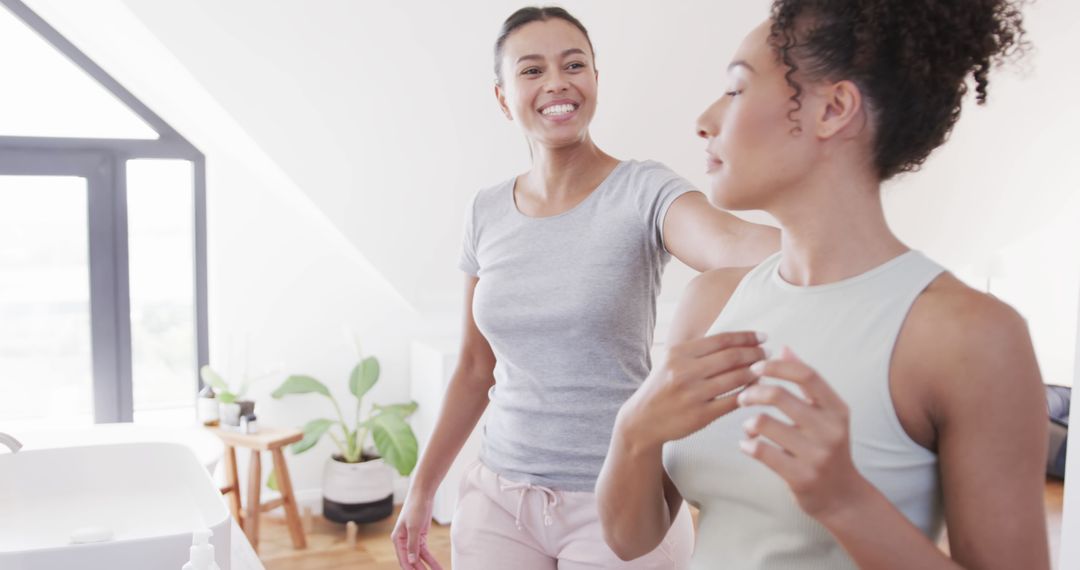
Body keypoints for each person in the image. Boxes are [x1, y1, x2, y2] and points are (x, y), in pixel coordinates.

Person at [597, 1, 1050, 568]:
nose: (705, 119)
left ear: (833, 109)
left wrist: (845, 500)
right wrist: (633, 431)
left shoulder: (970, 337)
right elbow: (629, 539)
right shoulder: (712, 302)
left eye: (736, 90)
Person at [391, 6, 780, 570]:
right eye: (531, 70)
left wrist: (846, 249)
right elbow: (476, 369)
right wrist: (424, 488)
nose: (556, 82)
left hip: (619, 501)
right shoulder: (485, 211)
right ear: (503, 98)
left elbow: (729, 241)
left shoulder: (643, 191)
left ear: (595, 80)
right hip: (499, 501)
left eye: (574, 64)